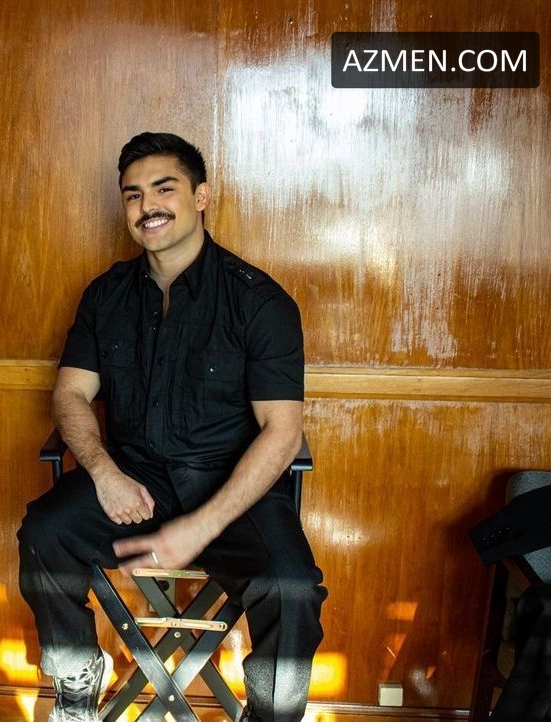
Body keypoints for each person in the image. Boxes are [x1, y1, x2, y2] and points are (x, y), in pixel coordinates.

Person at [17, 132, 326, 722]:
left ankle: (270, 715)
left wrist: (200, 526)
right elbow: (71, 394)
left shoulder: (259, 302)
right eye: (133, 195)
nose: (147, 206)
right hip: (134, 482)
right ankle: (76, 679)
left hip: (231, 489)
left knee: (292, 589)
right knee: (43, 532)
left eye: (164, 189)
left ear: (201, 196)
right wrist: (104, 473)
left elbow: (282, 433)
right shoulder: (105, 295)